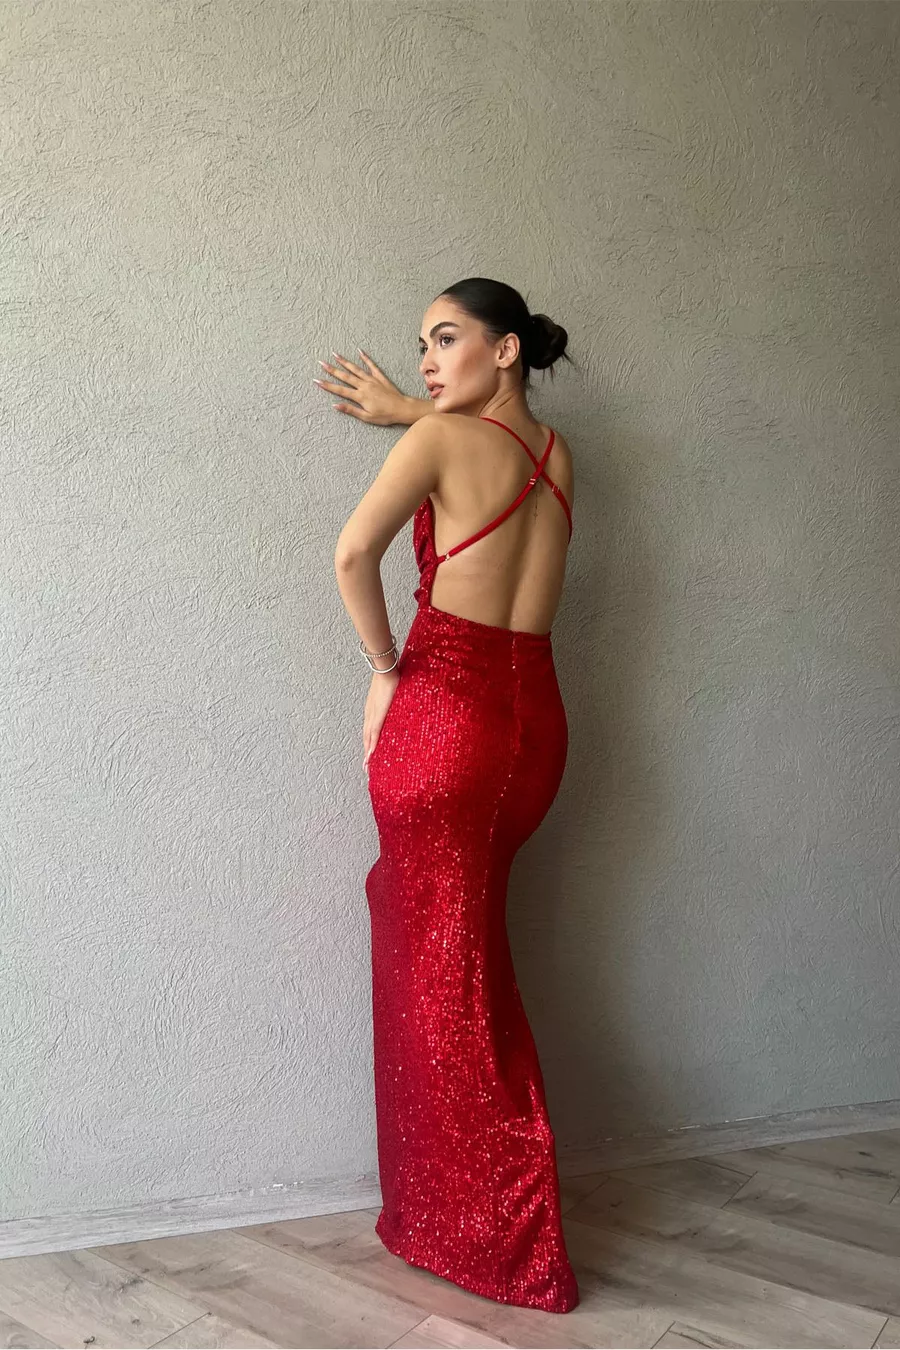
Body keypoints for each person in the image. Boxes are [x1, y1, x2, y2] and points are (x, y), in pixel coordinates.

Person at [328, 277, 579, 1313]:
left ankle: (489, 1235)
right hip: (536, 730)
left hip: (448, 719)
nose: (427, 364)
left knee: (441, 973)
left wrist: (385, 669)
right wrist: (409, 413)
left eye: (445, 340)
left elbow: (352, 554)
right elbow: (488, 451)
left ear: (504, 348)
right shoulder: (558, 455)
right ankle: (476, 1210)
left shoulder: (436, 442)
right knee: (464, 955)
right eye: (422, 348)